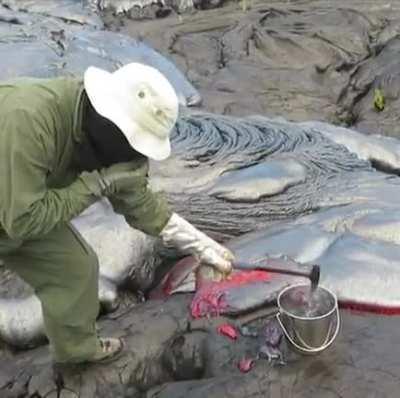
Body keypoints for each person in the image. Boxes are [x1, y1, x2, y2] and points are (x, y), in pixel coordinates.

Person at [0, 63, 234, 366]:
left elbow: (140, 203)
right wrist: (96, 185)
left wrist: (202, 247)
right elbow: (23, 221)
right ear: (106, 118)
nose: (133, 153)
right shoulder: (29, 119)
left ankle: (77, 351)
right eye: (132, 141)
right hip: (18, 209)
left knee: (76, 268)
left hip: (18, 204)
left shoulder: (110, 144)